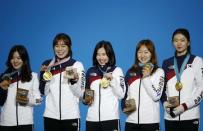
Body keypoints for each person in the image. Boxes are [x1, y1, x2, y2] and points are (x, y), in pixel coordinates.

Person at [39, 33, 85, 131]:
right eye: (57, 46)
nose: (60, 49)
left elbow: (81, 93)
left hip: (71, 116)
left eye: (63, 46)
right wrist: (45, 77)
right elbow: (43, 92)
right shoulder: (47, 65)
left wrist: (73, 81)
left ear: (69, 47)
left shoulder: (76, 65)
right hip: (50, 116)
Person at [161, 28, 203, 131]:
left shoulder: (197, 61)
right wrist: (165, 103)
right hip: (170, 117)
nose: (179, 43)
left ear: (188, 42)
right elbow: (162, 89)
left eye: (182, 40)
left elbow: (201, 88)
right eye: (176, 40)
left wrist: (184, 106)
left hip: (190, 116)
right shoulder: (166, 63)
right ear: (172, 42)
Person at [122, 39, 164, 131]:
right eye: (139, 52)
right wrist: (124, 107)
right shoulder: (130, 71)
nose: (142, 55)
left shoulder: (159, 72)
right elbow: (124, 94)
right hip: (131, 122)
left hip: (150, 122)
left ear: (151, 53)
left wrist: (146, 77)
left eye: (146, 52)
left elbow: (156, 96)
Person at [83, 40, 126, 131]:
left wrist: (112, 80)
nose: (101, 57)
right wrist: (86, 100)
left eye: (104, 54)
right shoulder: (90, 71)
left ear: (110, 55)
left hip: (110, 119)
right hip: (91, 120)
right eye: (98, 54)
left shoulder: (117, 70)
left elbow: (121, 94)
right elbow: (86, 94)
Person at [0, 45, 41, 131]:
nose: (15, 61)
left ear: (24, 59)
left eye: (18, 58)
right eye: (12, 58)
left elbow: (39, 100)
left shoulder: (33, 76)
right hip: (6, 123)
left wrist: (28, 101)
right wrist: (2, 89)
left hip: (26, 123)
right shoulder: (3, 77)